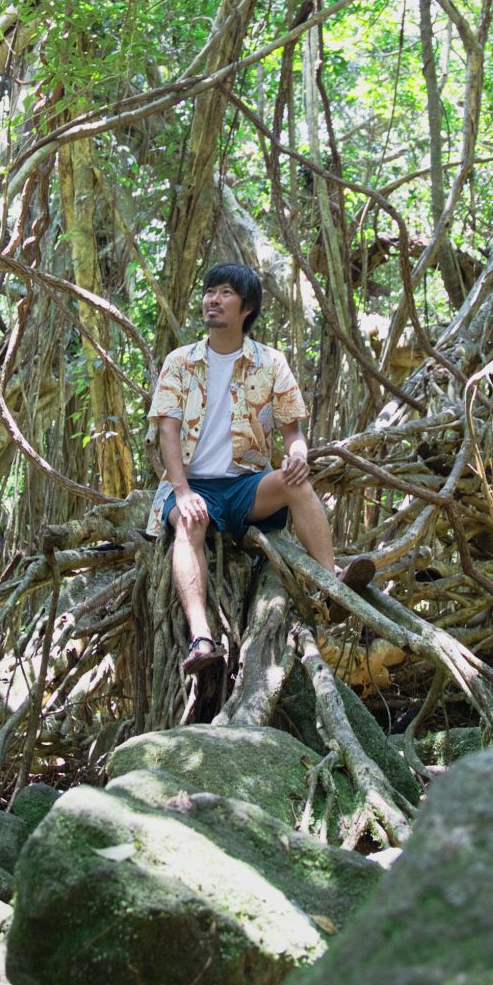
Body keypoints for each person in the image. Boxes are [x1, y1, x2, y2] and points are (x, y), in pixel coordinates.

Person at [147, 262, 371, 678]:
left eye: (225, 293)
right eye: (209, 292)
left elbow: (293, 432)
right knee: (190, 524)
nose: (213, 300)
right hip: (191, 484)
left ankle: (331, 583)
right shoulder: (180, 362)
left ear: (246, 307)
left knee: (295, 483)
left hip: (245, 485)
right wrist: (181, 491)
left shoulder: (270, 362)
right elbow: (167, 430)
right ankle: (201, 638)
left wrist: (298, 455)